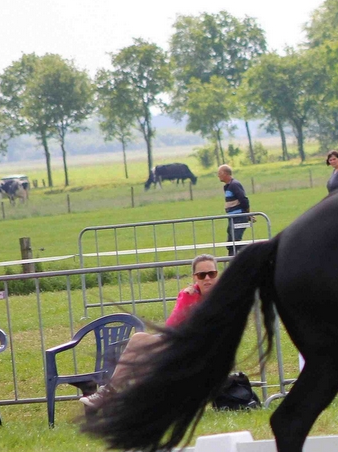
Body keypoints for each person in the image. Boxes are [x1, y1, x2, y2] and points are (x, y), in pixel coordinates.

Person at [80, 255, 220, 412]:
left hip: (201, 351)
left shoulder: (221, 297)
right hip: (177, 344)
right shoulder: (189, 295)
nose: (207, 278)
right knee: (139, 344)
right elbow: (171, 326)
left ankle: (111, 394)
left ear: (217, 274)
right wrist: (187, 299)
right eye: (202, 275)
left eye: (211, 274)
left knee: (140, 349)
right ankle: (135, 402)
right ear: (195, 277)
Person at [218, 165, 250, 256]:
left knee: (235, 242)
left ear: (226, 174)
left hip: (239, 218)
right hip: (232, 218)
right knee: (230, 243)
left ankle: (255, 250)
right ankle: (231, 262)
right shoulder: (227, 187)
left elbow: (244, 200)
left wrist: (247, 214)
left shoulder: (234, 185)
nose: (218, 176)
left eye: (220, 173)